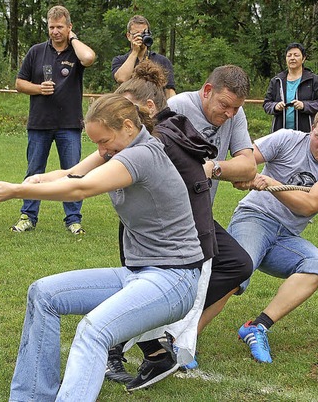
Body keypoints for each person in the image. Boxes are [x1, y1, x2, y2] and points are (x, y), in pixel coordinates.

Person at [0, 94, 204, 401]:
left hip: (174, 280)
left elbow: (80, 188)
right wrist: (36, 179)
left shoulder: (142, 155)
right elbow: (73, 174)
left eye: (104, 141)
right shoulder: (118, 149)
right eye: (97, 144)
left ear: (128, 126)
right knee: (44, 293)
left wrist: (18, 191)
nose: (101, 151)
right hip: (139, 274)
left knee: (94, 331)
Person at [100, 61, 218, 390]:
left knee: (150, 298)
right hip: (168, 235)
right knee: (147, 296)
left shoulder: (156, 140)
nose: (122, 122)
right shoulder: (160, 133)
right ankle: (151, 353)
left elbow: (84, 181)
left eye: (128, 112)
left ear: (148, 107)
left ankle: (149, 352)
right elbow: (84, 175)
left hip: (177, 237)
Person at [229, 106, 318, 363]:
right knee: (236, 273)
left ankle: (258, 327)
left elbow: (308, 205)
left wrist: (272, 184)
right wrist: (241, 173)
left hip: (287, 236)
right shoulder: (286, 138)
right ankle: (185, 331)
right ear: (312, 129)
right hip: (255, 216)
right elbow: (246, 160)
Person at [163, 64, 256, 357]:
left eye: (235, 108)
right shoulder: (177, 108)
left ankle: (174, 325)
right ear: (206, 91)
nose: (229, 114)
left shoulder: (235, 114)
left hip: (199, 213)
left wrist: (213, 167)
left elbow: (249, 165)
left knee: (238, 265)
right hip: (166, 217)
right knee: (171, 278)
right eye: (225, 105)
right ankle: (155, 329)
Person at [12, 5, 96, 235]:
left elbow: (89, 58)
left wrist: (74, 39)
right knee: (34, 171)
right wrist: (38, 88)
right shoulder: (36, 51)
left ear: (69, 27)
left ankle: (73, 219)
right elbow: (19, 84)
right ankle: (28, 216)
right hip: (40, 123)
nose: (55, 31)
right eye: (51, 27)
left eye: (60, 27)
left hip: (69, 124)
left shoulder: (76, 52)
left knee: (73, 172)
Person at [263, 42, 318, 133]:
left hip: (306, 133)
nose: (292, 58)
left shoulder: (314, 80)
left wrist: (304, 105)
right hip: (280, 134)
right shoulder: (277, 80)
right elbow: (266, 104)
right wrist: (275, 106)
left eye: (296, 55)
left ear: (303, 58)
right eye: (289, 55)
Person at [112, 15, 176, 98]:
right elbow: (122, 79)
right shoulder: (120, 60)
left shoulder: (162, 61)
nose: (141, 37)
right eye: (136, 34)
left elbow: (169, 91)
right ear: (128, 36)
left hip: (155, 106)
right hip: (130, 107)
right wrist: (135, 52)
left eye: (143, 33)